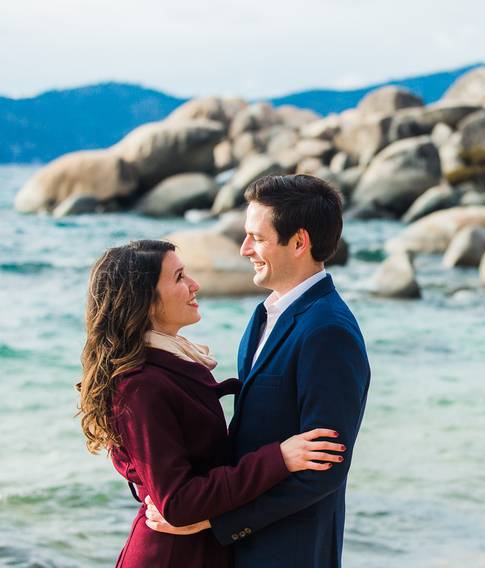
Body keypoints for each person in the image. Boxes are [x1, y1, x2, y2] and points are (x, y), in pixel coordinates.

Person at [145, 175, 371, 568]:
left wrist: (215, 520)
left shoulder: (329, 331)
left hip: (291, 550)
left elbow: (325, 470)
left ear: (299, 242)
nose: (245, 249)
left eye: (258, 238)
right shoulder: (265, 313)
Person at [77, 239, 345, 567]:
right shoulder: (139, 386)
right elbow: (176, 503)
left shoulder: (171, 362)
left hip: (200, 550)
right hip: (172, 556)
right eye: (178, 278)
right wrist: (279, 458)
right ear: (145, 301)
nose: (194, 285)